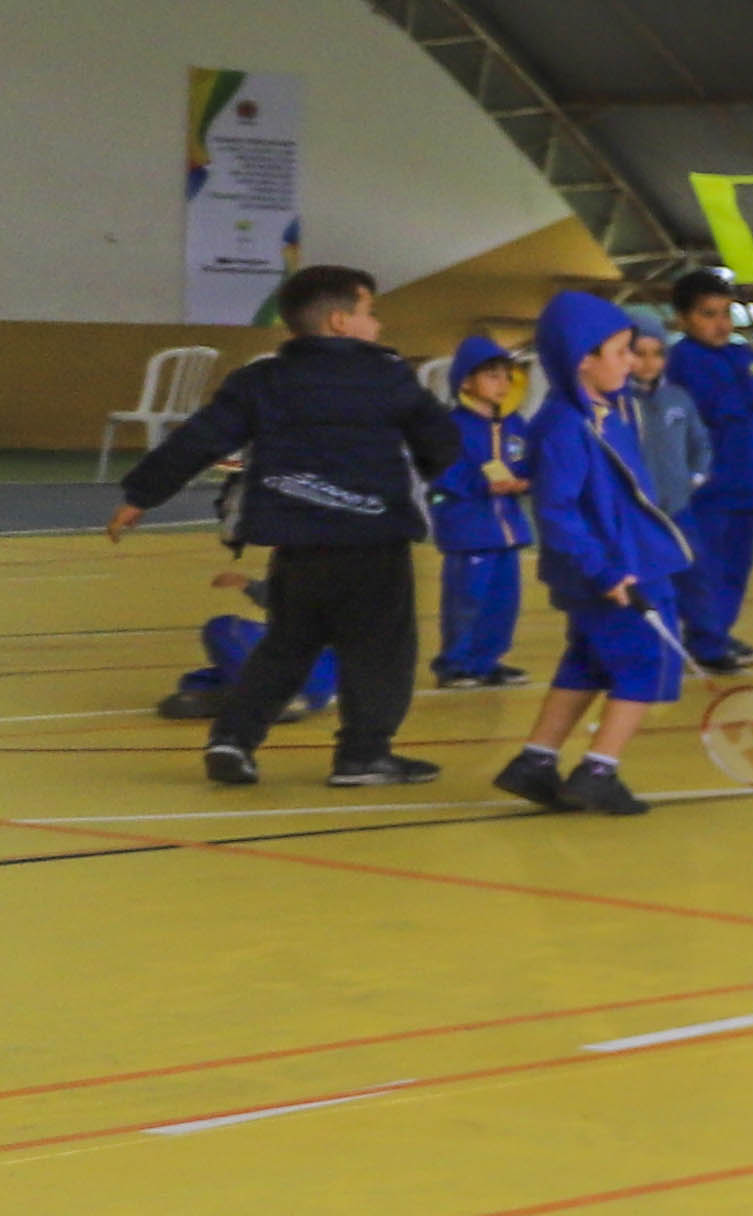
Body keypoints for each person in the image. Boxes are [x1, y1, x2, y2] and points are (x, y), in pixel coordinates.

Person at [103, 265, 452, 795]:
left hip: (298, 548)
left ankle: (233, 741)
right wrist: (421, 475)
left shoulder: (261, 380)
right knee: (381, 654)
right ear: (340, 320)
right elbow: (441, 441)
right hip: (372, 547)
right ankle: (363, 755)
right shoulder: (387, 376)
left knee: (285, 648)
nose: (377, 324)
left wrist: (141, 495)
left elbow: (200, 439)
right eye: (369, 312)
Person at [507, 286, 693, 816]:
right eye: (620, 352)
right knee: (646, 663)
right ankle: (598, 771)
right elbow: (558, 512)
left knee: (586, 663)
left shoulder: (608, 410)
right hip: (617, 570)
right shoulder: (566, 426)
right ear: (581, 361)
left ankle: (535, 762)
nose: (632, 361)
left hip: (619, 562)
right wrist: (605, 568)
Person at [659, 276, 753, 672]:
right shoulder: (684, 359)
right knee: (705, 566)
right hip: (711, 485)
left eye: (727, 313)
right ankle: (706, 639)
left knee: (735, 567)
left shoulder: (742, 354)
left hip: (749, 481)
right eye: (708, 314)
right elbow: (713, 405)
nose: (721, 324)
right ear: (682, 319)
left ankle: (717, 630)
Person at [435, 343, 538, 687]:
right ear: (466, 381)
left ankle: (487, 661)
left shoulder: (516, 425)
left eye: (507, 377)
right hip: (469, 530)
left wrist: (527, 480)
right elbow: (442, 471)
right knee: (467, 600)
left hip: (507, 530)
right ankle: (455, 664)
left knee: (503, 602)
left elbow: (526, 462)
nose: (503, 384)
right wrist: (481, 484)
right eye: (492, 376)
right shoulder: (451, 426)